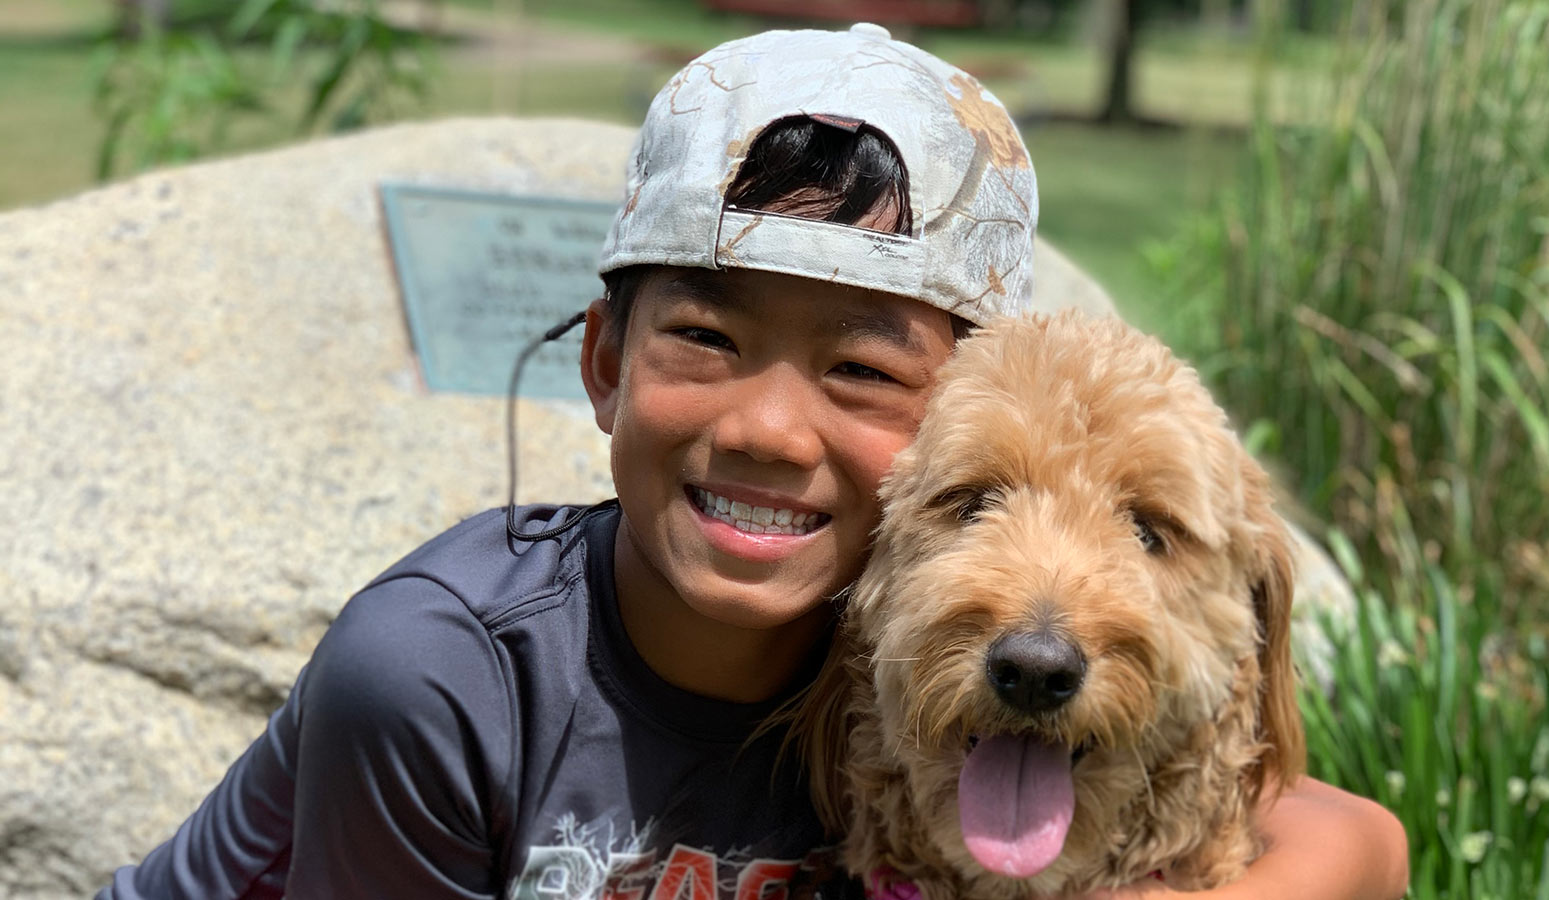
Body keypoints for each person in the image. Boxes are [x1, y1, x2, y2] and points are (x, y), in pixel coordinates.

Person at [97, 22, 1408, 900]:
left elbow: (1354, 840)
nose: (773, 431)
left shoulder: (867, 665)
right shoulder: (446, 676)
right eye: (710, 339)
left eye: (864, 370)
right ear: (604, 361)